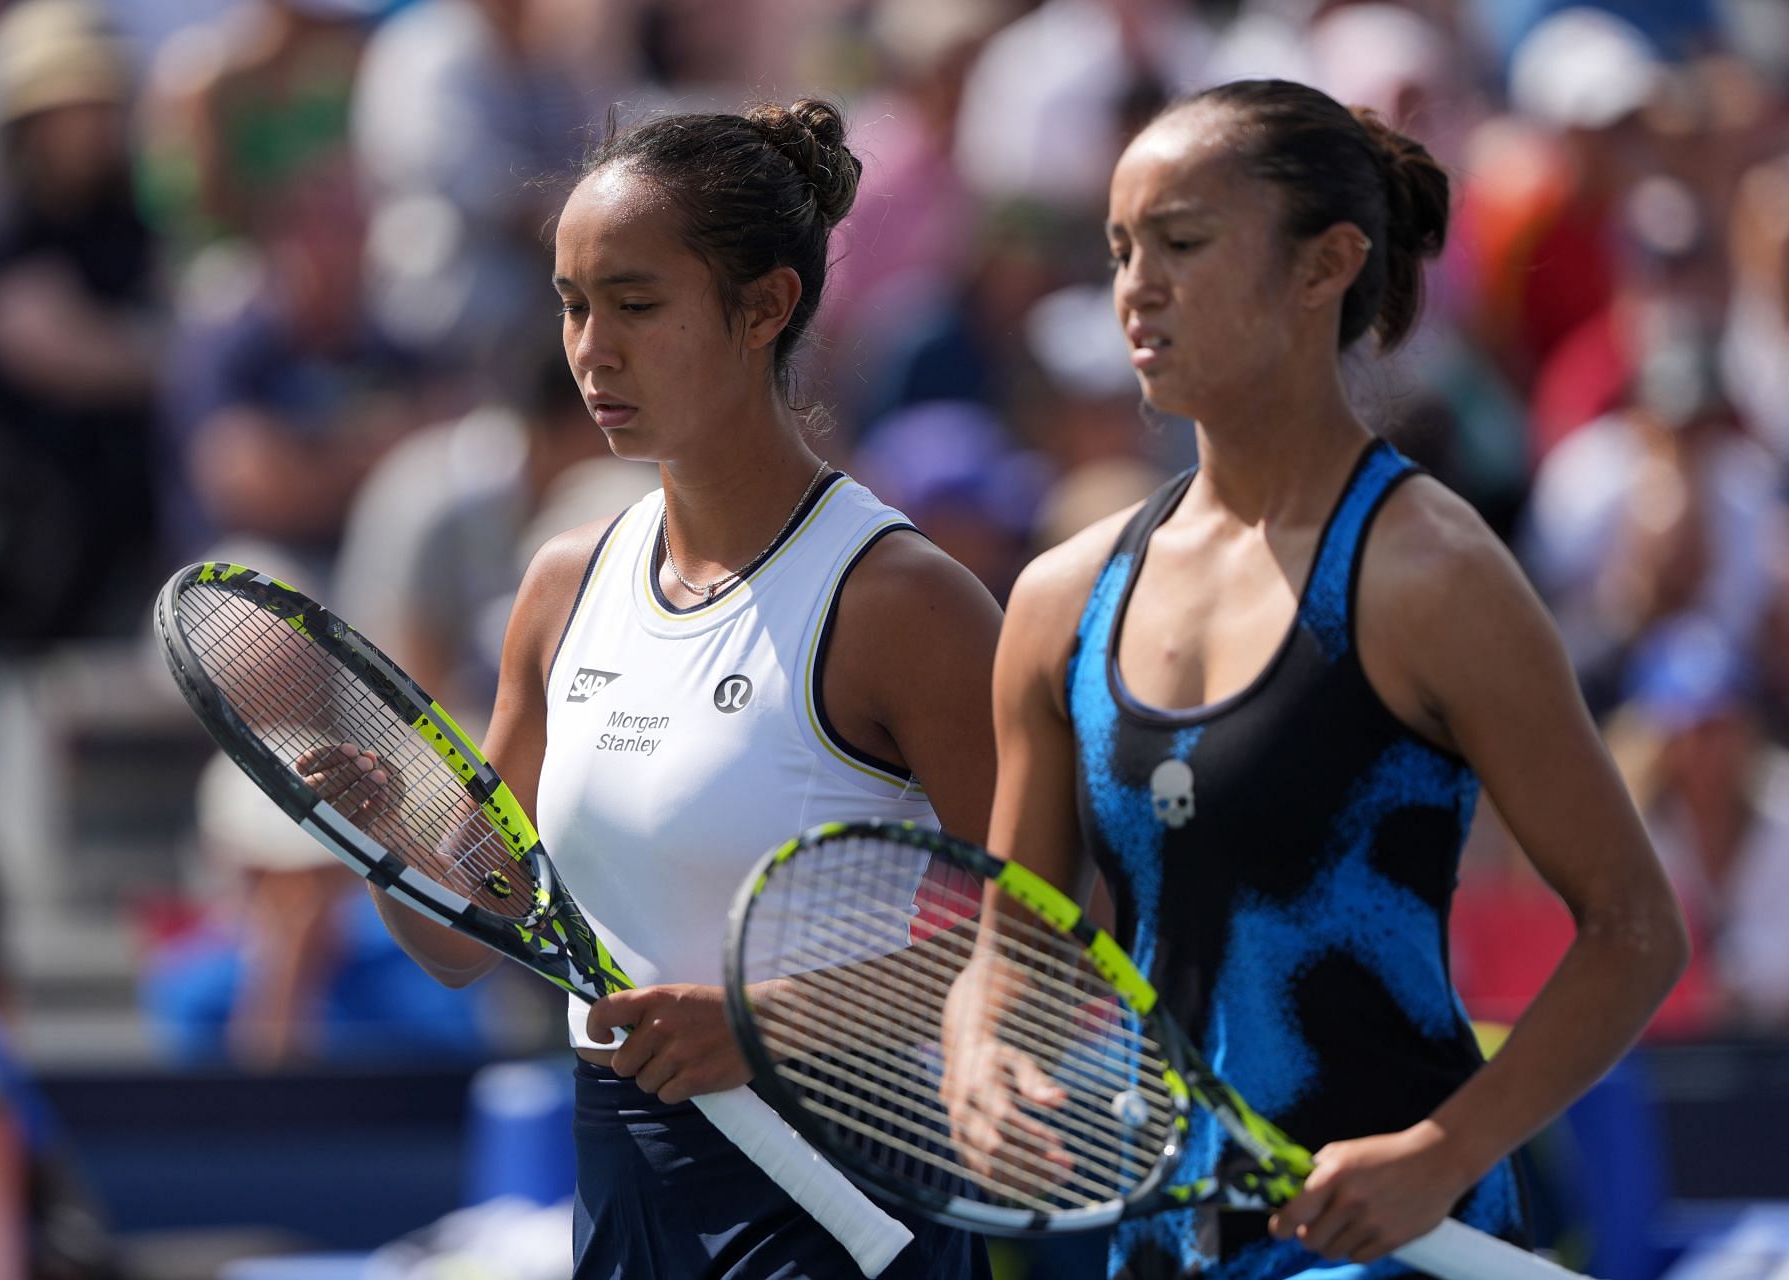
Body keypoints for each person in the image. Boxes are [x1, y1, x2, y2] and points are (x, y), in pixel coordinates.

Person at [976, 79, 1688, 1279]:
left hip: (1398, 1248)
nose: (1136, 286)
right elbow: (1012, 943)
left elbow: (1635, 929)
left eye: (1183, 243)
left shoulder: (1435, 574)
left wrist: (1439, 1150)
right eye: (1120, 248)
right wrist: (980, 1049)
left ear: (1328, 264)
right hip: (1154, 1245)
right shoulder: (1059, 598)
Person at [322, 99, 1001, 1278]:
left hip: (847, 1202)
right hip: (621, 1191)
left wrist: (762, 1024)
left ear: (765, 306)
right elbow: (461, 943)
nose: (592, 348)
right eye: (574, 304)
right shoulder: (561, 584)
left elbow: (1058, 942)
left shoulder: (904, 602)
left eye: (636, 304)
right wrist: (389, 836)